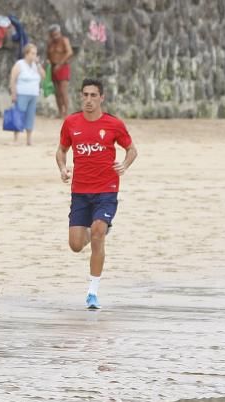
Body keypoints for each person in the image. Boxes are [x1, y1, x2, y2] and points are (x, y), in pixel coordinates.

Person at [56, 78, 137, 309]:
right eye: (85, 95)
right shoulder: (71, 122)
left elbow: (131, 149)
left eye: (93, 95)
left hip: (106, 190)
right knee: (75, 245)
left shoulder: (113, 124)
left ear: (102, 98)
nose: (88, 100)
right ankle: (97, 227)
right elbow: (61, 150)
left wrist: (125, 164)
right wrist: (62, 168)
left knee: (99, 233)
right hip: (80, 191)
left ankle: (93, 292)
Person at [8, 43, 44, 145]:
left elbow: (43, 76)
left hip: (33, 94)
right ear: (27, 54)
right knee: (19, 115)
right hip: (22, 93)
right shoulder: (19, 64)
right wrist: (13, 93)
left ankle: (29, 139)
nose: (34, 55)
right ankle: (16, 139)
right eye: (32, 53)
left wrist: (38, 64)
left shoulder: (35, 66)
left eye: (35, 53)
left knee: (30, 116)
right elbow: (13, 79)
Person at [47, 25, 74, 118]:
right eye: (53, 35)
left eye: (57, 34)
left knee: (63, 91)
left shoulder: (64, 40)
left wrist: (60, 64)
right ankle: (60, 111)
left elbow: (69, 52)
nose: (56, 36)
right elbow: (48, 55)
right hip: (53, 67)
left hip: (63, 67)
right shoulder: (50, 43)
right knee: (57, 91)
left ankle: (66, 112)